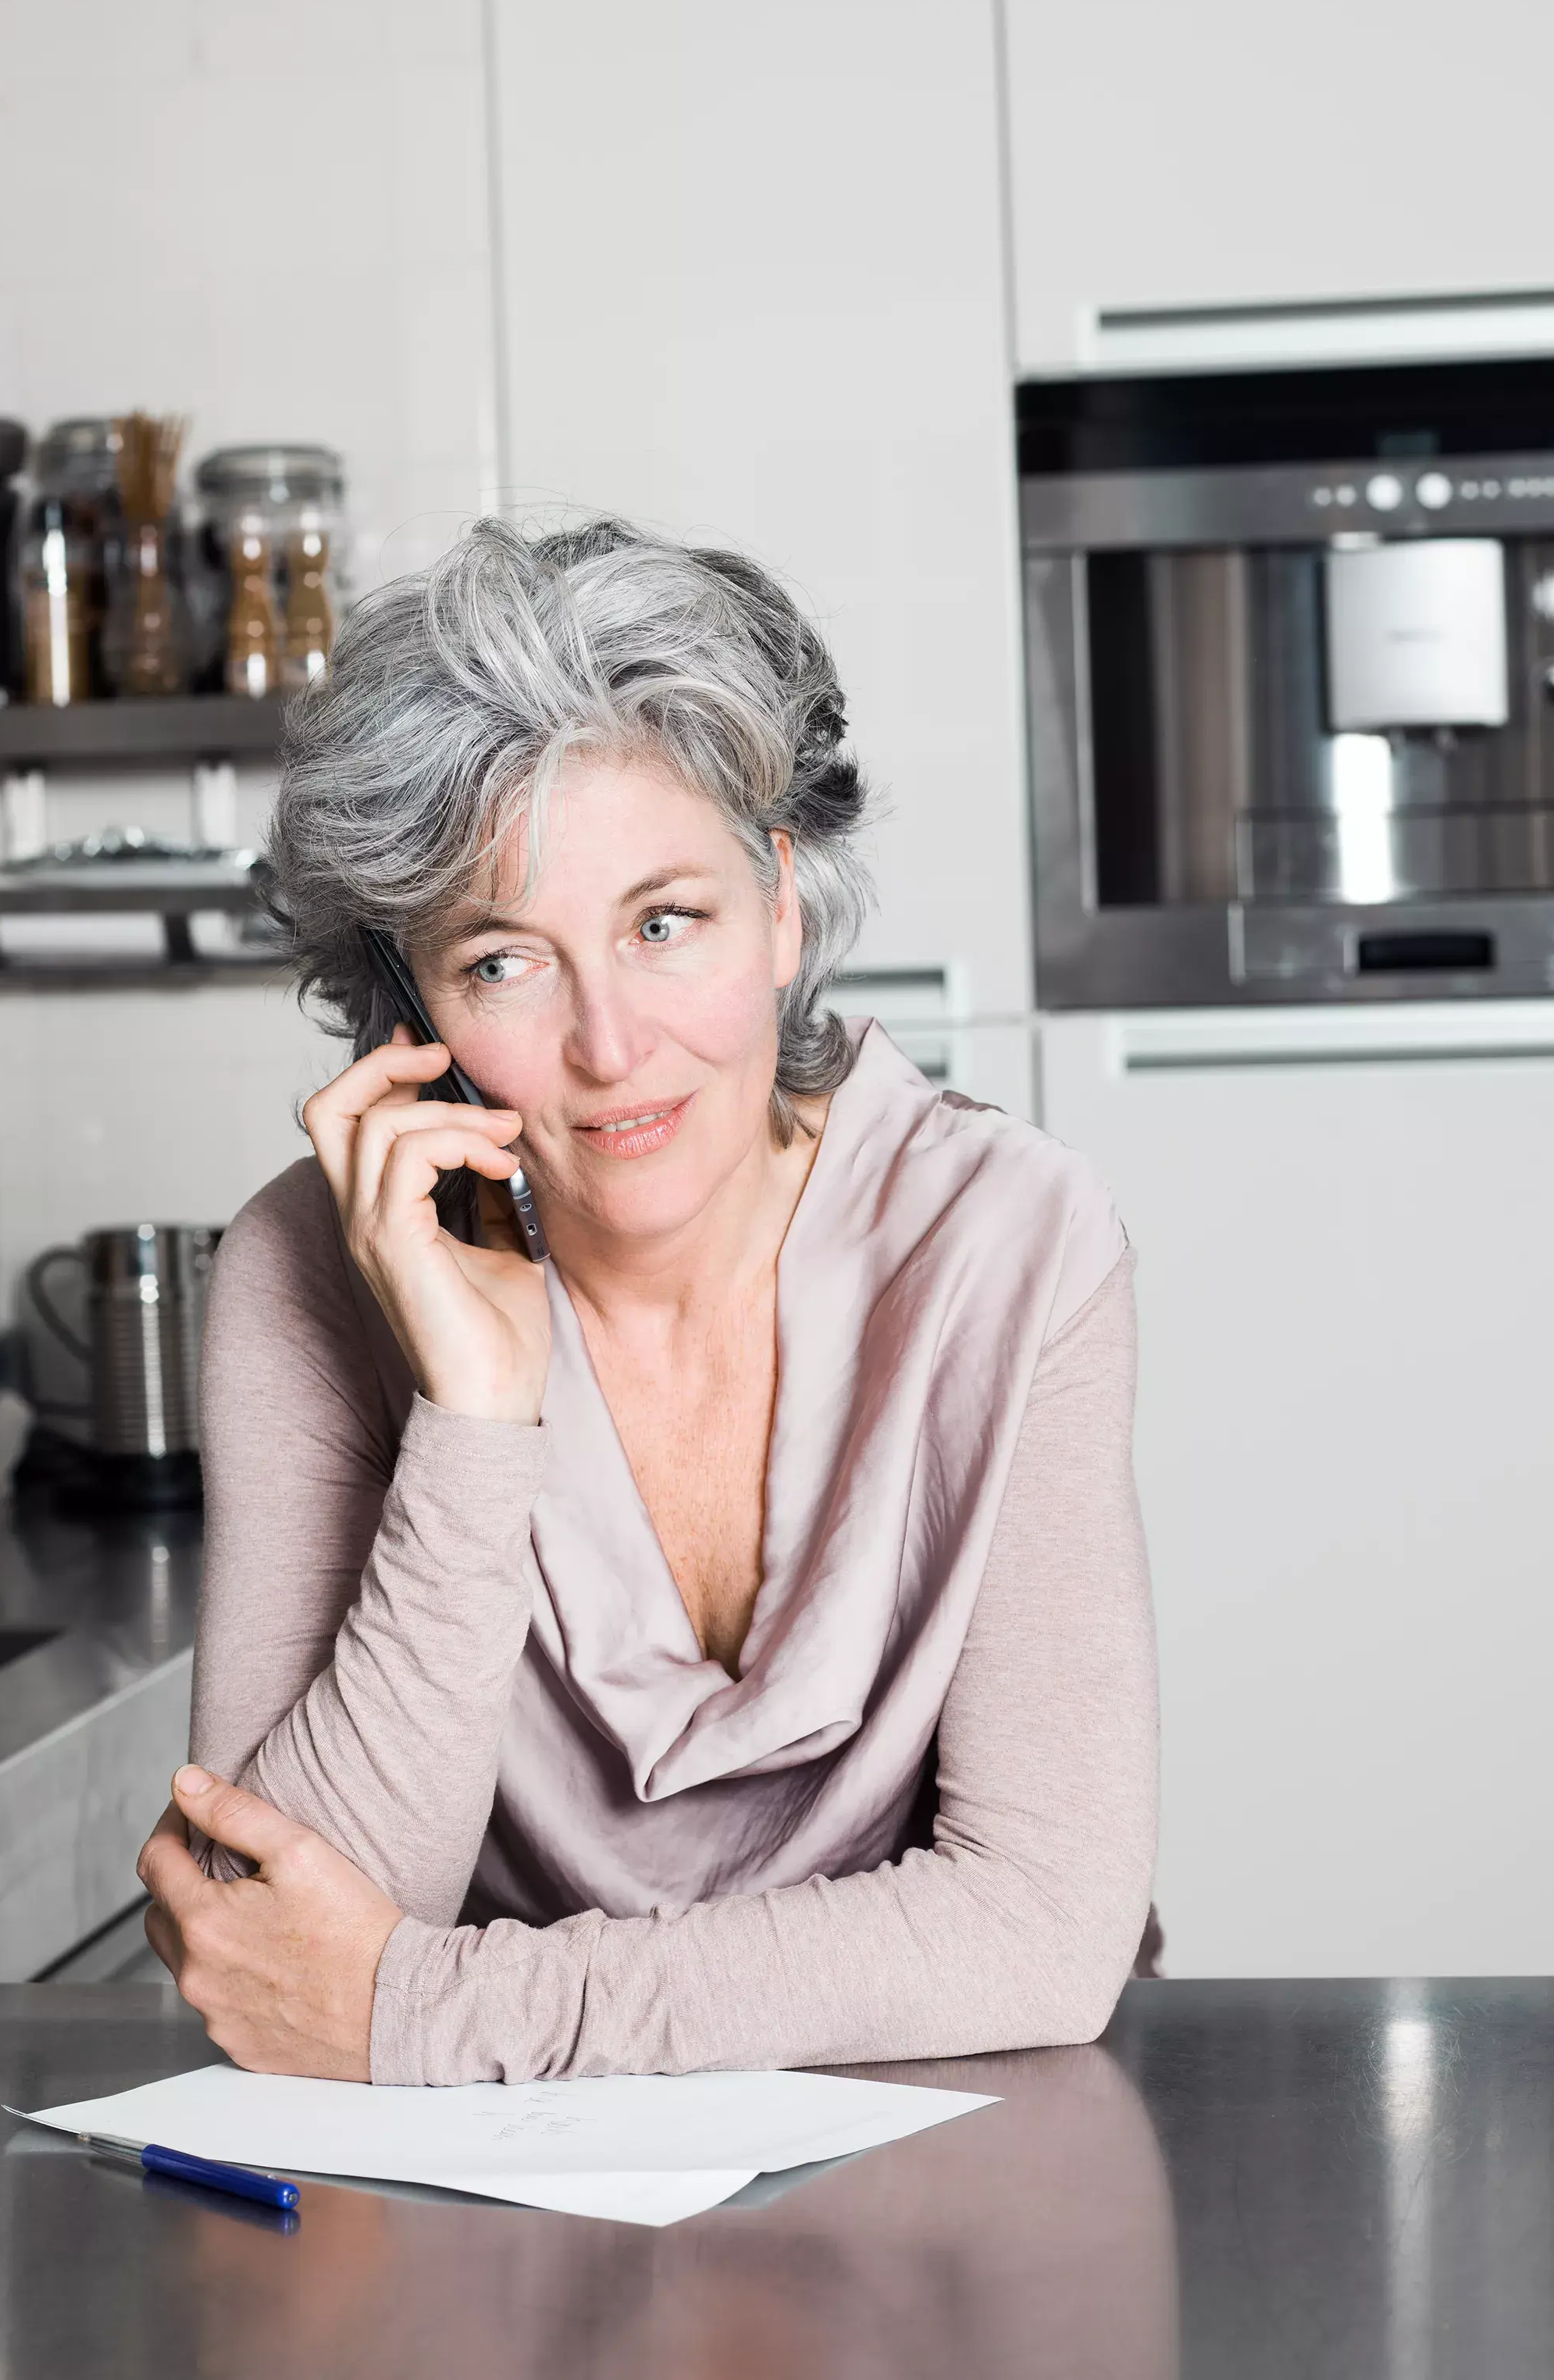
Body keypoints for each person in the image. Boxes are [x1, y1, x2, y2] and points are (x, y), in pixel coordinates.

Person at [137, 517, 1158, 2086]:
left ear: (783, 913)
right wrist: (473, 1417)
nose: (612, 1045)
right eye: (502, 962)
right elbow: (264, 1933)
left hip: (955, 2133)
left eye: (663, 922)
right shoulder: (310, 1269)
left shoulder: (1005, 1243)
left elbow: (1037, 1923)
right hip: (485, 2209)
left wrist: (424, 2012)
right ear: (411, 1014)